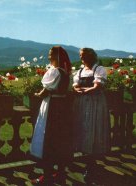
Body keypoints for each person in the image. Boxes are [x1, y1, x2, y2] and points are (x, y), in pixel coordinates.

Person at [30, 46, 73, 185]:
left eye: (50, 54)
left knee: (48, 139)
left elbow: (45, 91)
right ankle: (60, 173)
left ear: (56, 56)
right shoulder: (66, 72)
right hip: (63, 108)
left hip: (52, 107)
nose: (49, 56)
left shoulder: (54, 71)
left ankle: (47, 176)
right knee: (60, 141)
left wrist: (36, 95)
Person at [72, 47, 110, 183]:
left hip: (95, 104)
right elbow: (75, 86)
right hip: (82, 104)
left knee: (93, 130)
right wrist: (79, 90)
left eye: (84, 55)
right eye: (80, 56)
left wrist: (84, 90)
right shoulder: (80, 71)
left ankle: (91, 164)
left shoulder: (98, 69)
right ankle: (88, 162)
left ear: (91, 56)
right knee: (83, 131)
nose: (81, 58)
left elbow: (97, 86)